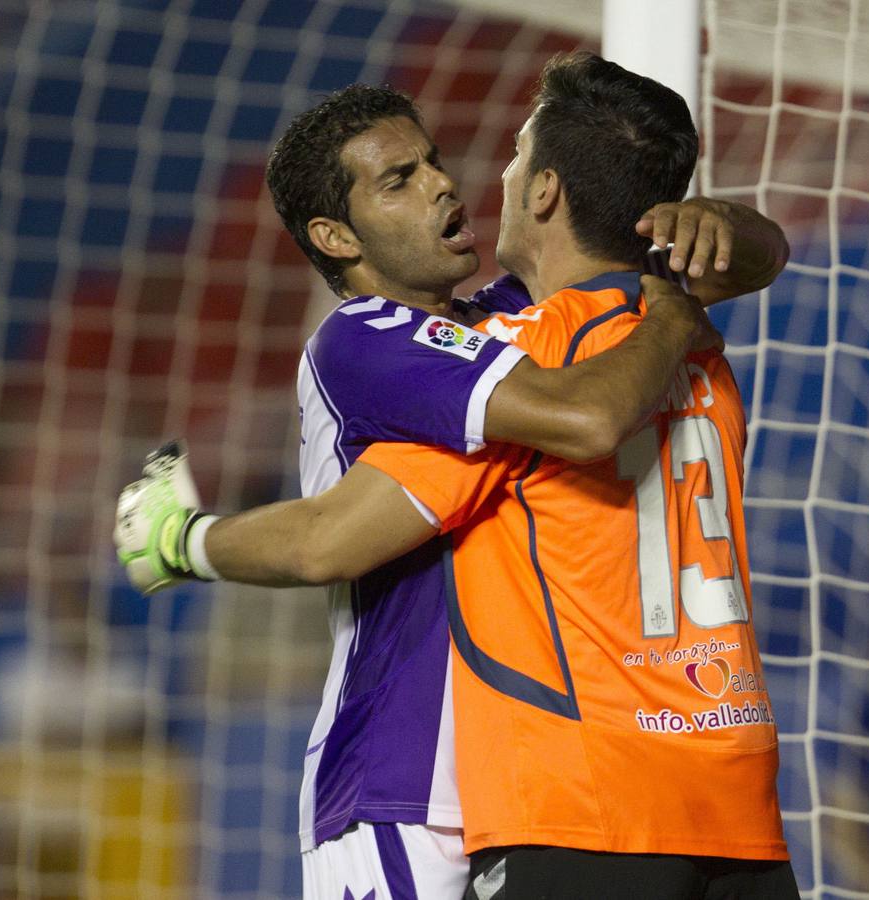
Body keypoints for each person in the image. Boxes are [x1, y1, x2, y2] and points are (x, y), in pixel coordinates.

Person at [116, 62, 790, 900]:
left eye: (433, 160)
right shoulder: (365, 340)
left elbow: (671, 271)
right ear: (337, 237)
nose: (445, 184)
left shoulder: (504, 332)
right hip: (402, 780)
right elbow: (332, 535)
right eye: (401, 180)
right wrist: (185, 541)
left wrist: (720, 226)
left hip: (516, 788)